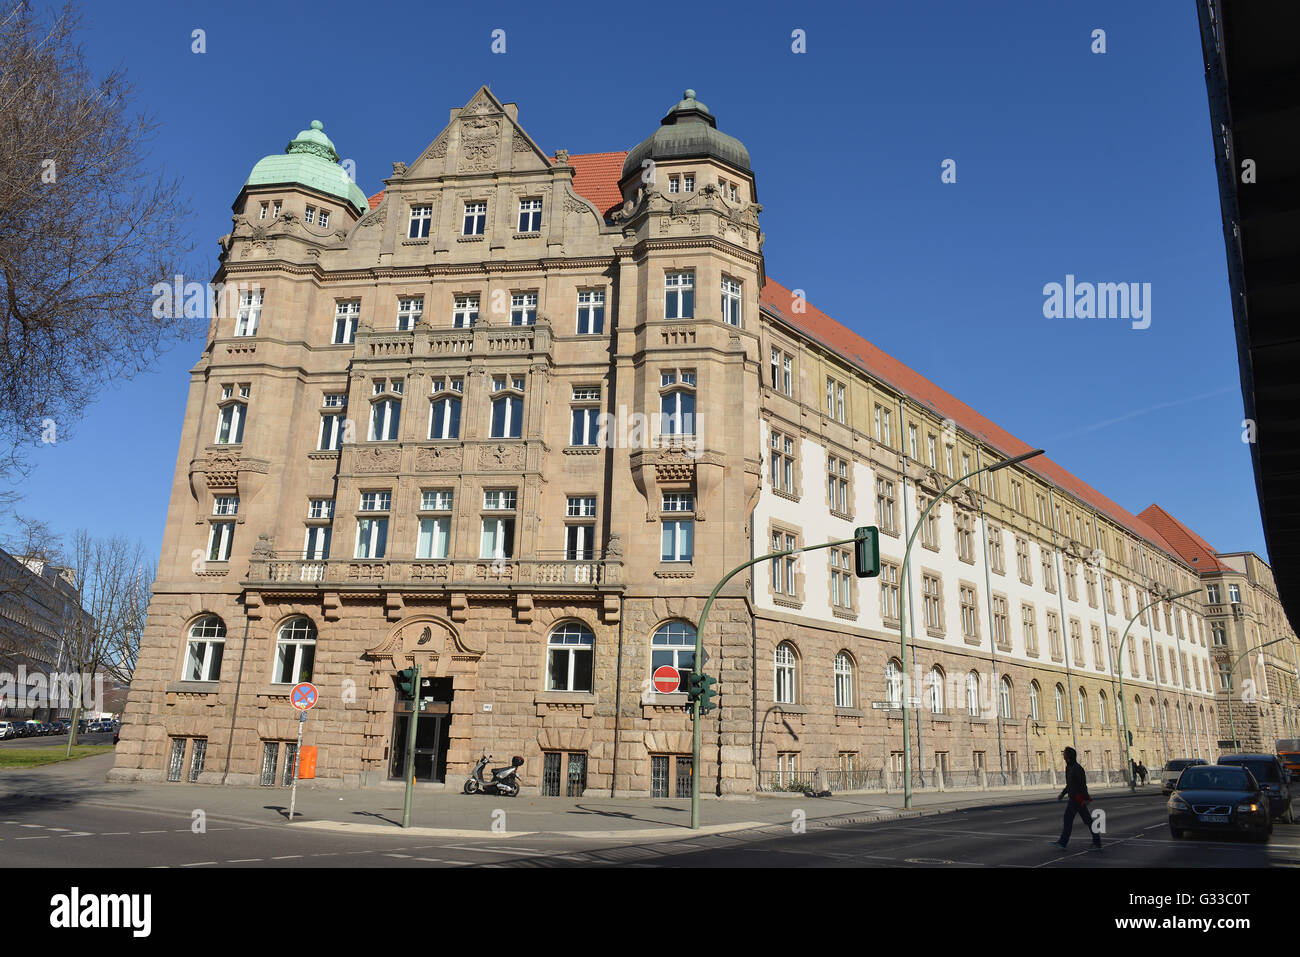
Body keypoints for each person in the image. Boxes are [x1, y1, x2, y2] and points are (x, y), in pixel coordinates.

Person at [1052, 746, 1101, 851]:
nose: (1063, 755)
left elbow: (1082, 785)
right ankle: (1097, 842)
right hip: (1074, 798)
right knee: (1087, 820)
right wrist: (1063, 794)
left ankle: (1063, 842)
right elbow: (1070, 784)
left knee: (1069, 819)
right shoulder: (1069, 767)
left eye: (1064, 753)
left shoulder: (1077, 769)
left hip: (1077, 798)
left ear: (1068, 756)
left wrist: (1086, 798)